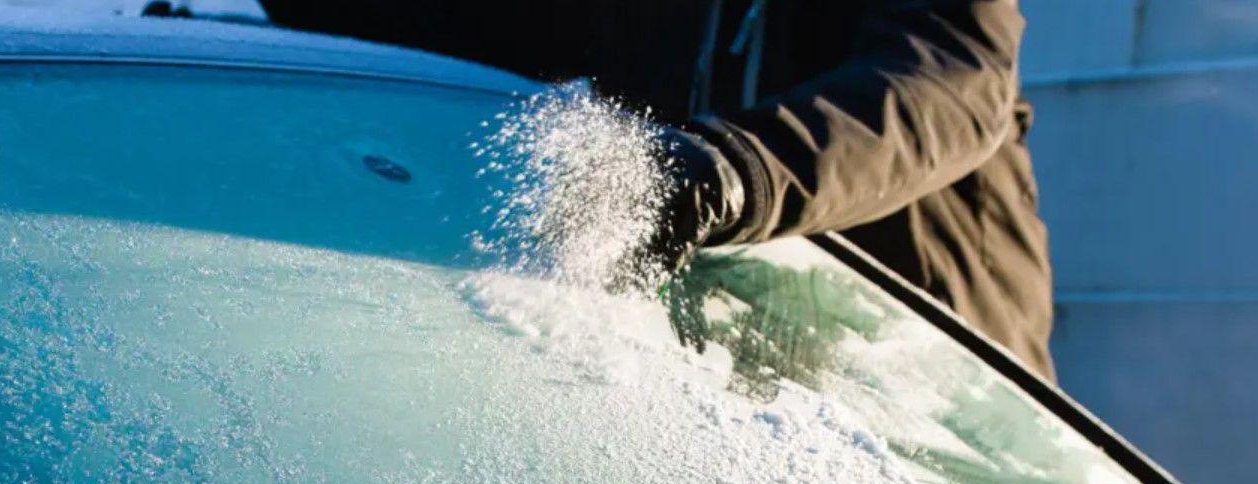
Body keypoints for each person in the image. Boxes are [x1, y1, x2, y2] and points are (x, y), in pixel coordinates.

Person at [260, 0, 1056, 380]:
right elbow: (481, 27)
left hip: (945, 375)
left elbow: (950, 83)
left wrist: (729, 170)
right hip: (756, 389)